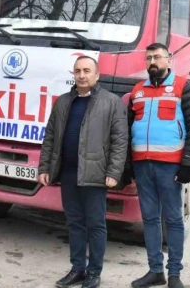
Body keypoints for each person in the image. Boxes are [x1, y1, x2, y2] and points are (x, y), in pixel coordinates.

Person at [38, 56, 128, 288]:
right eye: (77, 71)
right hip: (68, 173)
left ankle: (94, 272)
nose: (82, 75)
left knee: (96, 224)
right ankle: (77, 268)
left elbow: (120, 141)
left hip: (96, 174)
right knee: (74, 223)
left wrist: (114, 172)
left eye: (87, 70)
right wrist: (44, 167)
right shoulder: (63, 102)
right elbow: (50, 137)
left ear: (97, 75)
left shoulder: (111, 102)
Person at [128, 43, 190, 288]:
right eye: (148, 57)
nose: (152, 61)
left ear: (169, 59)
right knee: (149, 219)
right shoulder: (137, 91)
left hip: (171, 167)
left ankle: (174, 274)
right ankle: (155, 270)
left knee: (173, 219)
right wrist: (129, 164)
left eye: (157, 57)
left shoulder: (183, 87)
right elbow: (130, 129)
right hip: (143, 165)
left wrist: (188, 163)